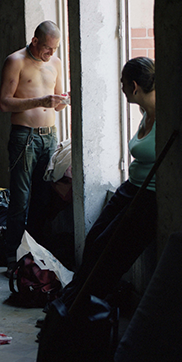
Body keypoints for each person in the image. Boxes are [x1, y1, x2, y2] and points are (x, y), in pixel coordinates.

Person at [60, 56, 156, 308]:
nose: (121, 88)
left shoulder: (165, 118)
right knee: (94, 242)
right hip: (130, 188)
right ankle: (69, 303)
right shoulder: (145, 113)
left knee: (110, 252)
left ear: (134, 86)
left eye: (123, 83)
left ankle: (83, 309)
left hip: (149, 197)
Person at [0, 21, 70, 273]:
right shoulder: (15, 61)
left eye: (55, 49)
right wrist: (41, 100)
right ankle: (13, 256)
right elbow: (5, 103)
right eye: (47, 49)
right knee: (20, 198)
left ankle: (35, 252)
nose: (51, 54)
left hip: (49, 135)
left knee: (43, 198)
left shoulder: (56, 63)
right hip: (24, 137)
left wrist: (63, 101)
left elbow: (58, 102)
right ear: (35, 41)